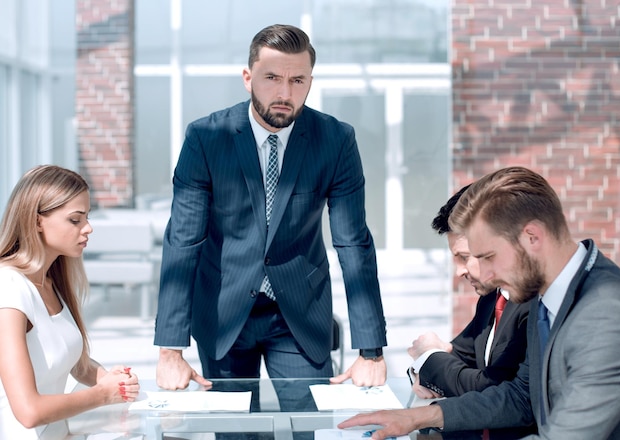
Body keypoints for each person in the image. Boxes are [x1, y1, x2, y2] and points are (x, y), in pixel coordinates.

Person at [154, 23, 387, 390]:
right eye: (272, 78)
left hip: (299, 313)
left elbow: (353, 243)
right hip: (222, 309)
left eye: (298, 80)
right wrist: (170, 350)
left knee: (304, 425)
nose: (284, 92)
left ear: (311, 81)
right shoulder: (205, 138)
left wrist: (371, 351)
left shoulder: (336, 140)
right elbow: (183, 241)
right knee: (234, 433)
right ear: (248, 78)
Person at [339, 166, 620, 439]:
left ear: (532, 237)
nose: (485, 275)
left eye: (488, 257)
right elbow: (520, 398)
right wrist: (418, 418)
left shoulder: (605, 311)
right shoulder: (543, 293)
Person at [0, 165, 140, 439]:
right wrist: (103, 394)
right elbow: (28, 412)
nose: (88, 228)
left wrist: (109, 379)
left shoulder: (51, 283)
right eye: (75, 220)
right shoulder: (9, 289)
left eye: (87, 217)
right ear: (37, 220)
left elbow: (72, 362)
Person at [408, 184, 531, 399]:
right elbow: (456, 355)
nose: (458, 272)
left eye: (464, 257)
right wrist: (424, 365)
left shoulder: (532, 303)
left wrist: (428, 356)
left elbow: (489, 386)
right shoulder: (492, 298)